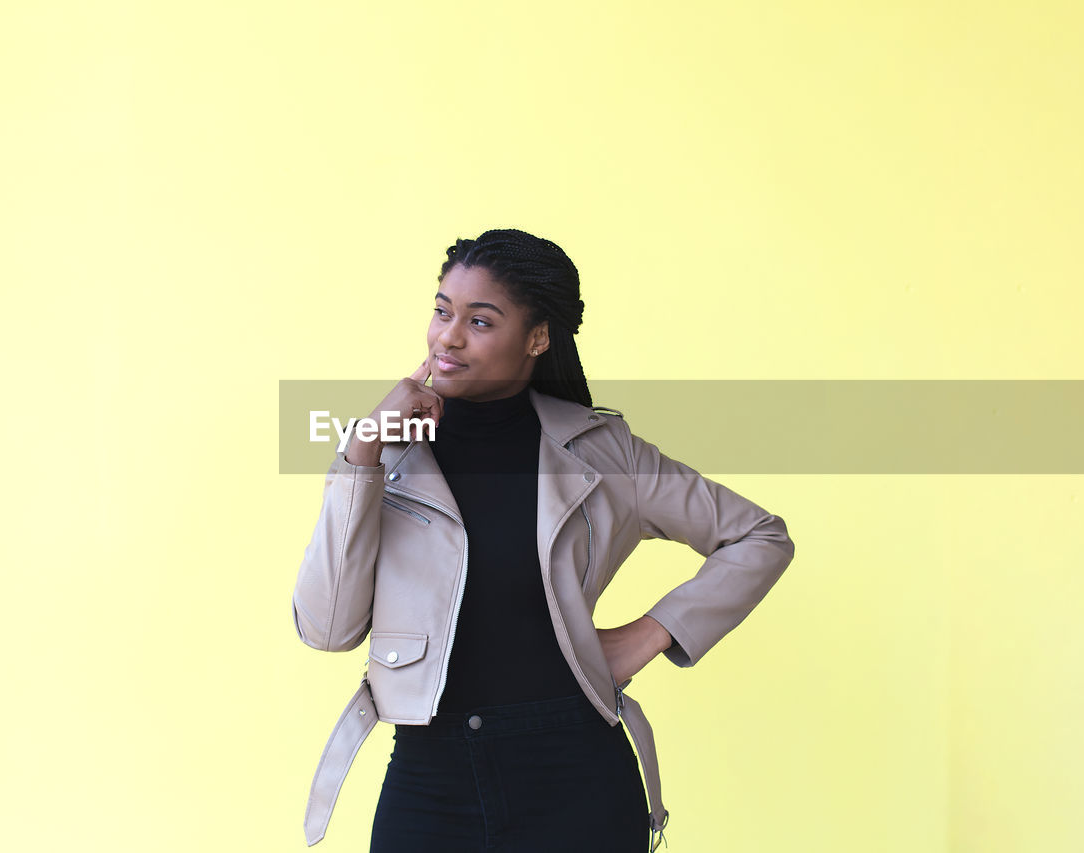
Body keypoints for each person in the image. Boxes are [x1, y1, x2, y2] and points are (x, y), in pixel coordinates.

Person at [292, 228, 795, 852]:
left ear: (537, 338)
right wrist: (362, 449)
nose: (448, 336)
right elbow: (328, 628)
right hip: (431, 777)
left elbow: (759, 535)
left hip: (576, 775)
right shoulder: (386, 456)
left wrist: (652, 632)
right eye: (443, 311)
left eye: (481, 321)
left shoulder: (602, 453)